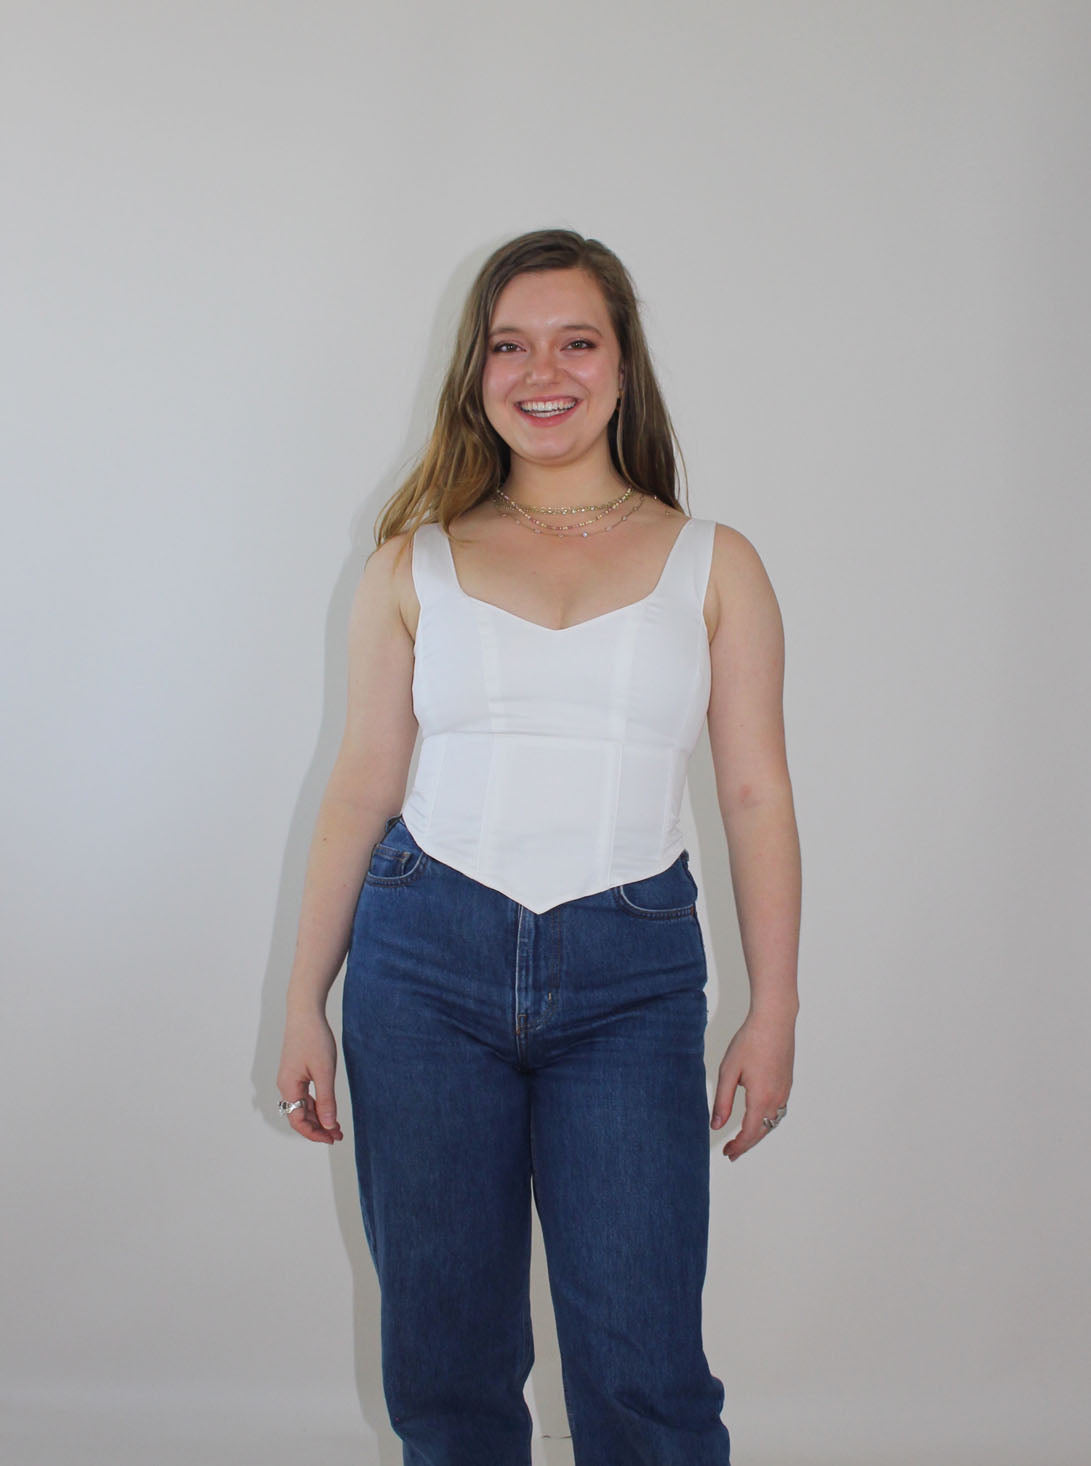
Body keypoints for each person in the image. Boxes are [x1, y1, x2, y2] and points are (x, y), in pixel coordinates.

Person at [276, 228, 801, 1466]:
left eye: (575, 341)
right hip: (420, 966)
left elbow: (753, 794)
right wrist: (302, 1000)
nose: (542, 372)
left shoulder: (713, 562)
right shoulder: (412, 560)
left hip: (632, 977)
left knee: (643, 1370)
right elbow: (360, 786)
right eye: (509, 346)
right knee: (444, 1362)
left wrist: (773, 1006)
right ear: (476, 370)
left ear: (621, 365)